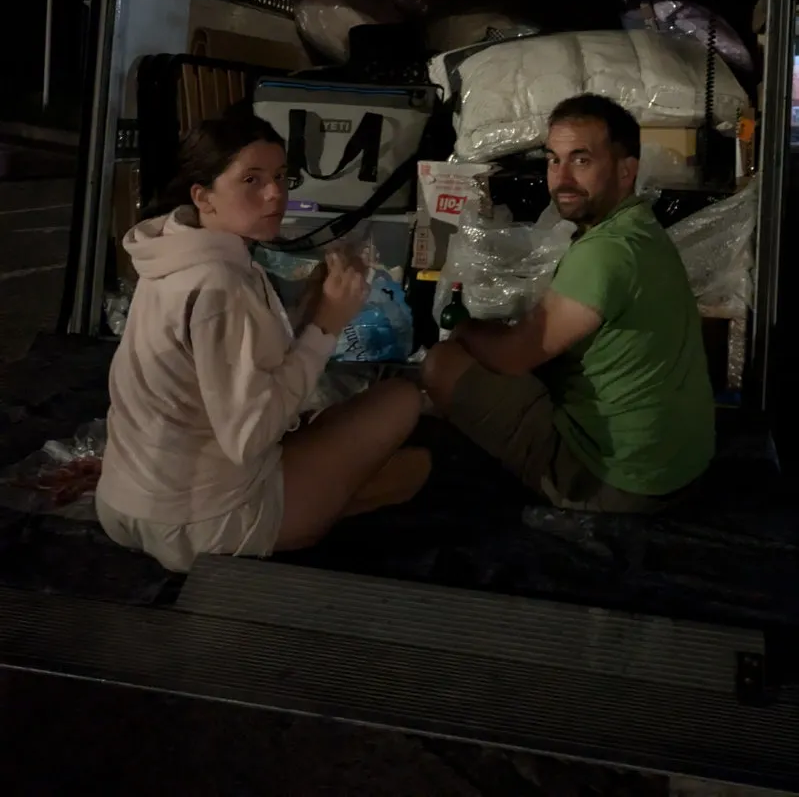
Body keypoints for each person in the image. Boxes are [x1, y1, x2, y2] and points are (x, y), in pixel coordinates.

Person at [96, 110, 430, 572]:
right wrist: (327, 325)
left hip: (123, 503)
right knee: (404, 424)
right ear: (203, 196)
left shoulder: (174, 253)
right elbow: (251, 436)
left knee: (362, 446)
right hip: (199, 524)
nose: (275, 193)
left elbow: (234, 365)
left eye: (279, 177)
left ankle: (318, 501)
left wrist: (310, 313)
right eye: (251, 180)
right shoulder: (220, 284)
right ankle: (293, 523)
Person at [422, 93, 715, 513]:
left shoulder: (606, 253)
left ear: (626, 170)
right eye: (553, 160)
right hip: (676, 467)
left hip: (620, 480)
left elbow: (512, 357)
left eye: (581, 160)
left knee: (443, 363)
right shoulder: (639, 229)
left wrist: (464, 328)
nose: (561, 179)